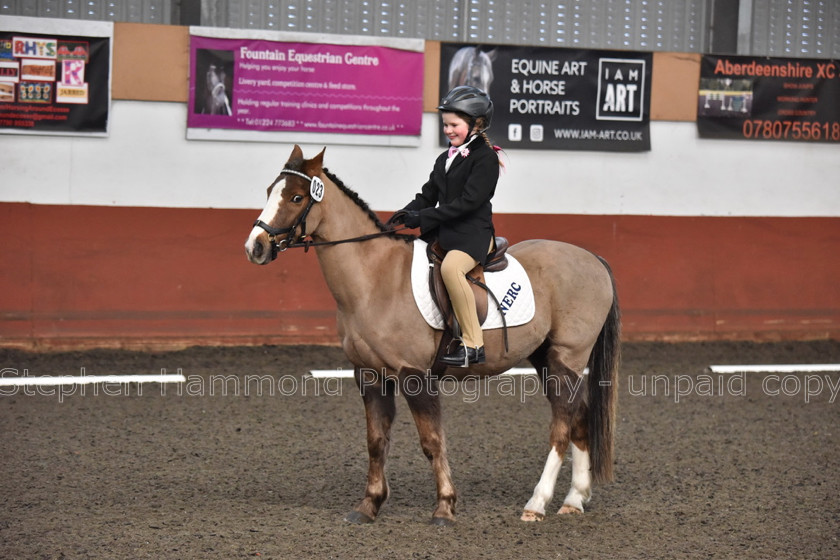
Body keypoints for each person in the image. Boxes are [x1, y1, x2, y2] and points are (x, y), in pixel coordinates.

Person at [391, 85, 502, 367]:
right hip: (447, 231)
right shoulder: (446, 157)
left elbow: (467, 203)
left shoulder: (485, 158)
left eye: (454, 124)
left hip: (473, 234)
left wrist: (425, 218)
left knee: (452, 268)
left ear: (475, 123)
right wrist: (407, 212)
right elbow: (428, 194)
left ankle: (474, 345)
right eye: (445, 125)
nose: (448, 130)